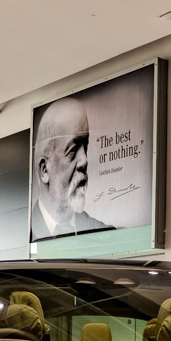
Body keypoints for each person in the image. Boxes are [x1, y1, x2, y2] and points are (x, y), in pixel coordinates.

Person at [31, 97, 112, 238]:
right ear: (44, 170)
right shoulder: (18, 237)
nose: (84, 160)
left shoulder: (105, 235)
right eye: (73, 150)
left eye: (85, 146)